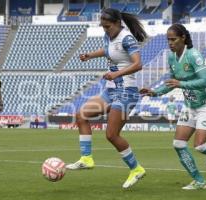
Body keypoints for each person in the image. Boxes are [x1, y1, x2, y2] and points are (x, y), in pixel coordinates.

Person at [140, 24, 206, 190]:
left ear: (183, 38)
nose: (170, 43)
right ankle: (199, 181)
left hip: (205, 105)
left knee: (200, 145)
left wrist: (181, 83)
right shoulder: (171, 57)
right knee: (178, 144)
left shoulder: (193, 55)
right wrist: (155, 92)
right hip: (189, 106)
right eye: (168, 40)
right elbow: (172, 83)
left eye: (173, 39)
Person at [66, 8, 148, 189]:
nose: (105, 30)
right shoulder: (109, 36)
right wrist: (89, 55)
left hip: (127, 91)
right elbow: (107, 50)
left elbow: (138, 64)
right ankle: (86, 158)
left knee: (111, 135)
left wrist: (117, 73)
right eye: (103, 27)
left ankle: (136, 169)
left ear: (118, 23)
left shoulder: (127, 38)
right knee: (81, 115)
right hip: (111, 90)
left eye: (107, 27)